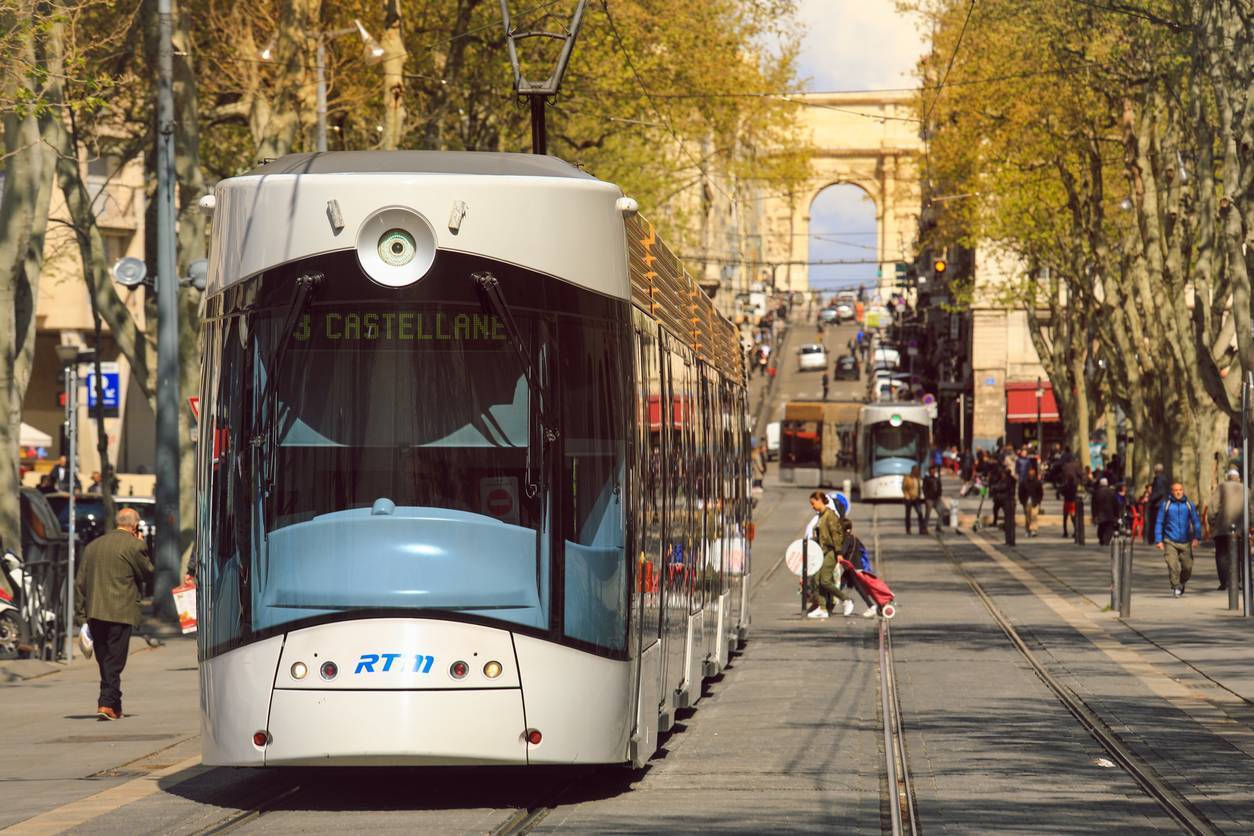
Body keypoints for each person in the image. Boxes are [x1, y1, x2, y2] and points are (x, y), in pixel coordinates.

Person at [74, 507, 154, 720]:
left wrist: (81, 616)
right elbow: (147, 573)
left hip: (96, 611)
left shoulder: (93, 547)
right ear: (135, 525)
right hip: (121, 611)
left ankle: (114, 705)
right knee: (114, 661)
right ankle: (105, 703)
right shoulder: (134, 545)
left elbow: (80, 583)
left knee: (106, 660)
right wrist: (142, 543)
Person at [806, 491, 853, 619]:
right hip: (823, 551)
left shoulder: (829, 515)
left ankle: (846, 600)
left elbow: (836, 535)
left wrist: (838, 553)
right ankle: (822, 608)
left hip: (831, 551)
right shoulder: (821, 515)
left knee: (825, 580)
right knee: (817, 579)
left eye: (813, 503)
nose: (812, 506)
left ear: (820, 500)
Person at [1154, 482, 1202, 598]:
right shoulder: (1166, 504)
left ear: (1183, 490)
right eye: (1175, 490)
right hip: (1170, 540)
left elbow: (1196, 521)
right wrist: (1158, 540)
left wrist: (1197, 537)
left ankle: (1181, 583)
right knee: (1172, 565)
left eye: (1180, 489)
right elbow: (1159, 522)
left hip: (1186, 541)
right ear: (1172, 491)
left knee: (1188, 567)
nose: (1178, 492)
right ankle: (1176, 586)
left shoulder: (1189, 504)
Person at [1205, 469, 1247, 592]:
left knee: (1222, 555)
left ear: (1228, 477)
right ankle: (1236, 581)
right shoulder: (1246, 489)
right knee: (1238, 555)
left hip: (1222, 528)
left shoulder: (1221, 488)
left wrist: (1212, 522)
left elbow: (1212, 508)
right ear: (1238, 478)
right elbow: (1250, 508)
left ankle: (1224, 581)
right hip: (1240, 528)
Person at [837, 519, 879, 617]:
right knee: (841, 585)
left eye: (839, 528)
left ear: (845, 529)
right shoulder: (855, 538)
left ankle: (871, 606)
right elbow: (862, 549)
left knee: (858, 587)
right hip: (856, 565)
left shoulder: (847, 538)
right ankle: (832, 605)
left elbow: (842, 552)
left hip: (852, 567)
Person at [1146, 464, 1170, 545]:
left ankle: (1156, 539)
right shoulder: (1165, 479)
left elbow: (1159, 492)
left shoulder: (1158, 479)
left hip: (1158, 504)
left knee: (1156, 521)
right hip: (1164, 502)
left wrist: (1150, 499)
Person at [1091, 477, 1118, 545]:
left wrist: (1094, 515)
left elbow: (1093, 505)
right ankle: (1106, 540)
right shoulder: (1112, 492)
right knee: (1109, 528)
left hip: (1100, 514)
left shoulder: (1096, 492)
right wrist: (1116, 514)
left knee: (1101, 527)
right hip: (1110, 513)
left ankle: (1102, 539)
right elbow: (1115, 504)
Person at [1019, 466, 1044, 538]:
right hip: (1026, 501)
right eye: (1030, 474)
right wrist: (1022, 501)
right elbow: (1021, 493)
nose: (1031, 475)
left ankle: (1033, 529)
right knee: (1027, 517)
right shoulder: (1024, 482)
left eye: (1032, 474)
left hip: (1035, 501)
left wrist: (1038, 501)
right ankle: (1027, 530)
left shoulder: (1037, 483)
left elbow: (1040, 493)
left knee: (1034, 516)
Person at [902, 466, 925, 535]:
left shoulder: (918, 478)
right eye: (916, 470)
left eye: (918, 471)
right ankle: (908, 529)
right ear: (912, 471)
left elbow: (919, 488)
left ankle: (921, 529)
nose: (917, 472)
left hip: (916, 498)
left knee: (920, 513)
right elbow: (904, 488)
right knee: (908, 515)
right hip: (908, 499)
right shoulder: (907, 478)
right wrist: (907, 496)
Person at [922, 465, 945, 534]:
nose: (933, 471)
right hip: (929, 499)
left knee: (941, 511)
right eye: (931, 470)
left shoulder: (937, 479)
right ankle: (924, 528)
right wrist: (926, 497)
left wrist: (939, 495)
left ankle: (938, 526)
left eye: (934, 470)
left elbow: (940, 488)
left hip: (936, 498)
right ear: (929, 471)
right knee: (928, 514)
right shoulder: (926, 479)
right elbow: (924, 488)